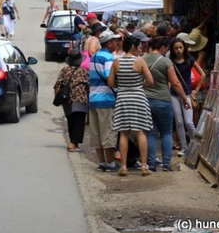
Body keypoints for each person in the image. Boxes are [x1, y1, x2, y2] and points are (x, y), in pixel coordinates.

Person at [109, 35, 155, 176]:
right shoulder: (140, 61)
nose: (141, 49)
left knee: (124, 133)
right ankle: (144, 166)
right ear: (134, 46)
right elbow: (150, 81)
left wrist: (122, 85)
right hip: (138, 98)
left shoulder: (117, 62)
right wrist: (140, 85)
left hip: (123, 98)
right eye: (140, 46)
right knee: (141, 132)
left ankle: (123, 167)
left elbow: (111, 82)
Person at [143, 36, 189, 172]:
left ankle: (151, 164)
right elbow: (175, 83)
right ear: (163, 47)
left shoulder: (142, 59)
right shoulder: (166, 62)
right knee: (166, 133)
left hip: (146, 100)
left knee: (151, 133)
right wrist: (184, 98)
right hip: (163, 100)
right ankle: (166, 164)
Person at [88, 30, 120, 172]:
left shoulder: (94, 56)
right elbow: (110, 78)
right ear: (109, 43)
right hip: (106, 99)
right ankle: (110, 163)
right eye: (115, 41)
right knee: (107, 132)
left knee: (96, 133)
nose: (117, 43)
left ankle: (101, 162)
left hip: (93, 98)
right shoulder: (108, 58)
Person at [170, 34, 206, 155]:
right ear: (173, 49)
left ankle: (196, 146)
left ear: (184, 48)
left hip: (187, 94)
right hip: (174, 95)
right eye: (176, 48)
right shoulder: (170, 62)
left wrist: (196, 90)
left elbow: (203, 74)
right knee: (179, 122)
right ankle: (184, 147)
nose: (179, 50)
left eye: (181, 47)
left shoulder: (189, 60)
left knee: (189, 122)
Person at [53, 50, 90, 152]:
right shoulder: (84, 71)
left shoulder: (64, 70)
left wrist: (58, 97)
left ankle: (73, 142)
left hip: (67, 100)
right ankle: (73, 144)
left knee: (71, 121)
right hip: (81, 99)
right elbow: (89, 85)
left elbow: (57, 85)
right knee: (79, 122)